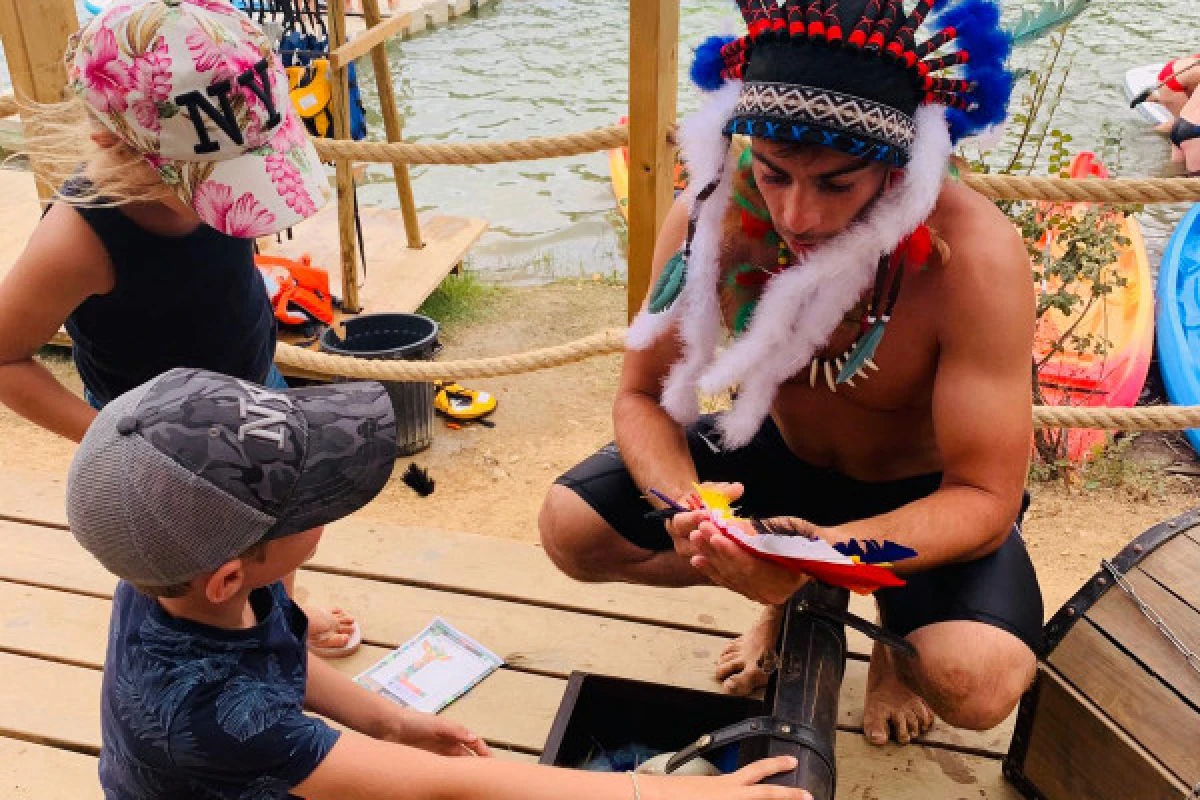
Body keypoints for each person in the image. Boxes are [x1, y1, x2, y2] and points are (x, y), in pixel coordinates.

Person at [540, 0, 1043, 747]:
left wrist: (828, 555)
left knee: (976, 679)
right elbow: (642, 396)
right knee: (570, 531)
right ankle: (777, 595)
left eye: (836, 185)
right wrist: (698, 517)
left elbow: (986, 495)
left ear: (902, 166)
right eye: (773, 175)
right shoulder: (709, 215)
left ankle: (887, 645)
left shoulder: (978, 258)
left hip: (921, 493)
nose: (796, 216)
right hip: (774, 457)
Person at [68, 367, 810, 800]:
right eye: (311, 497)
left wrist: (392, 723)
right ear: (231, 572)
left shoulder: (166, 572)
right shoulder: (226, 724)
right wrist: (664, 792)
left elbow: (276, 653)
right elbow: (454, 789)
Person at [0, 0, 359, 656]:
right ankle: (229, 636)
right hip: (158, 435)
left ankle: (284, 590)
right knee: (188, 566)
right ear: (112, 141)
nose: (239, 199)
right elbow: (3, 355)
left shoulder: (215, 165)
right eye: (215, 180)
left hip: (253, 378)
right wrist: (111, 441)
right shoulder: (79, 238)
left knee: (286, 510)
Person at [1150, 55, 1200, 174]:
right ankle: (1149, 132)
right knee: (1194, 190)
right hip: (1195, 133)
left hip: (1179, 128)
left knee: (1173, 182)